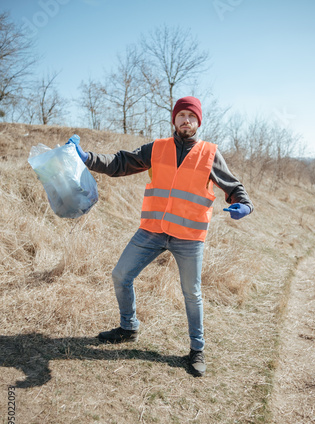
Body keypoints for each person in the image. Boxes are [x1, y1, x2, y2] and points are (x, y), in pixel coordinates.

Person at [67, 96, 253, 377]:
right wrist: (87, 158)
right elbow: (120, 163)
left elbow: (233, 185)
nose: (186, 121)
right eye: (181, 116)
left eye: (192, 116)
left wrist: (244, 203)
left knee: (192, 293)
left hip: (189, 237)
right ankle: (128, 328)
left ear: (198, 122)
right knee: (120, 275)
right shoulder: (157, 148)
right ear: (174, 120)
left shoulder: (209, 153)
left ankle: (196, 349)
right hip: (153, 230)